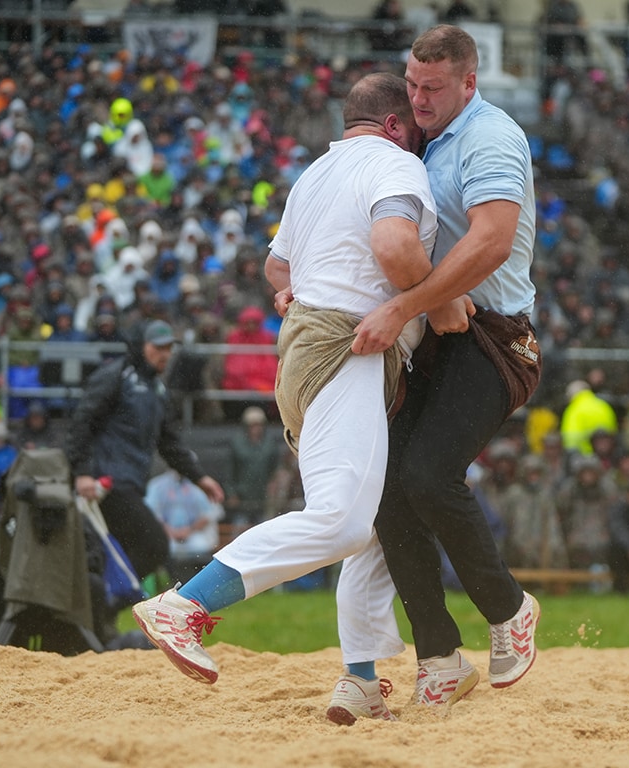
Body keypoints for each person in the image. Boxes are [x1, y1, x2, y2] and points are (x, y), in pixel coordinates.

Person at [130, 74, 442, 724]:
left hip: (310, 350)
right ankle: (186, 604)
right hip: (348, 347)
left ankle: (359, 679)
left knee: (373, 520)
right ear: (391, 125)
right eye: (411, 125)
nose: (420, 135)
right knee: (344, 521)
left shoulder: (314, 176)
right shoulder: (395, 163)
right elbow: (394, 244)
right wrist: (439, 297)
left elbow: (278, 267)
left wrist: (302, 288)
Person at [350, 25, 543, 712]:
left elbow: (490, 242)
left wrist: (407, 306)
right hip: (437, 334)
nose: (419, 98)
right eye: (411, 85)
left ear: (470, 81)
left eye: (433, 88)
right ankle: (436, 654)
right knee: (385, 489)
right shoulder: (421, 142)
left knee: (429, 474)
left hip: (495, 337)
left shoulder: (490, 136)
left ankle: (509, 608)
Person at [66, 319, 224, 585]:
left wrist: (199, 477)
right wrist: (81, 473)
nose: (165, 354)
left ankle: (98, 609)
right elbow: (82, 424)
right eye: (158, 347)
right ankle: (106, 602)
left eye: (168, 348)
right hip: (105, 484)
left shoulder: (157, 389)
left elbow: (169, 443)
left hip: (129, 484)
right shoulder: (116, 376)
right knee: (154, 546)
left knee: (114, 553)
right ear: (141, 347)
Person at [145, 469, 224, 583]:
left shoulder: (201, 486)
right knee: (167, 548)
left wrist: (189, 530)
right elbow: (152, 513)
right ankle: (171, 583)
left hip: (194, 534)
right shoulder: (157, 485)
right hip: (167, 535)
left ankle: (195, 583)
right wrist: (170, 531)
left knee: (199, 547)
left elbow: (210, 513)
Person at [226, 405, 282, 527]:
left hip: (263, 496)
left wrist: (274, 483)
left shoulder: (270, 444)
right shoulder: (237, 444)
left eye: (259, 425)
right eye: (252, 425)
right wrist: (231, 493)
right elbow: (230, 471)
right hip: (243, 496)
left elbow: (276, 467)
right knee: (240, 528)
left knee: (266, 528)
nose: (256, 428)